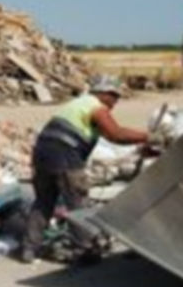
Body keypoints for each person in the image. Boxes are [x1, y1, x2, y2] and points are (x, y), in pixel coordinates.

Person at [21, 75, 152, 264]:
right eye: (114, 97)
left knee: (43, 202)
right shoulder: (96, 107)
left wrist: (139, 146)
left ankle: (29, 249)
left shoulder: (77, 104)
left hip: (42, 153)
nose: (115, 102)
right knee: (77, 204)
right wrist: (148, 136)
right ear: (105, 94)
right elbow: (116, 134)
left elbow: (110, 137)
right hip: (65, 155)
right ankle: (85, 251)